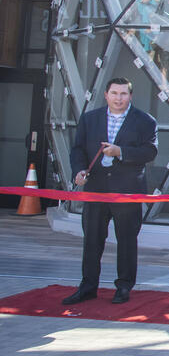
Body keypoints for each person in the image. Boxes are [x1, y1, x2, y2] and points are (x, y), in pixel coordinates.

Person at [63, 77, 158, 305]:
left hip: (127, 190)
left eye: (123, 94)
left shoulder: (145, 121)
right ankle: (88, 287)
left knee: (126, 240)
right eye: (114, 93)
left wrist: (120, 152)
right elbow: (78, 150)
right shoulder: (89, 119)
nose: (118, 98)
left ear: (130, 96)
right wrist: (78, 171)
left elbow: (150, 152)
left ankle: (123, 287)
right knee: (92, 239)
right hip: (96, 189)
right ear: (106, 95)